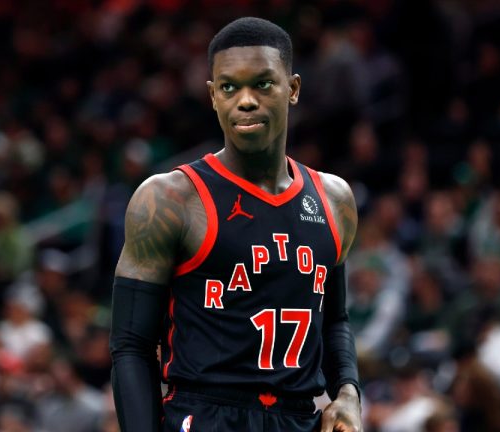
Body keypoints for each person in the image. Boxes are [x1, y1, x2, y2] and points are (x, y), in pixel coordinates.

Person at [109, 17, 362, 432]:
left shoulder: (334, 200)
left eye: (262, 84)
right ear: (212, 96)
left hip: (299, 418)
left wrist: (349, 393)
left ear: (293, 89)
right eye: (229, 87)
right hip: (204, 413)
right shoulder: (170, 197)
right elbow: (132, 345)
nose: (245, 101)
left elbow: (334, 320)